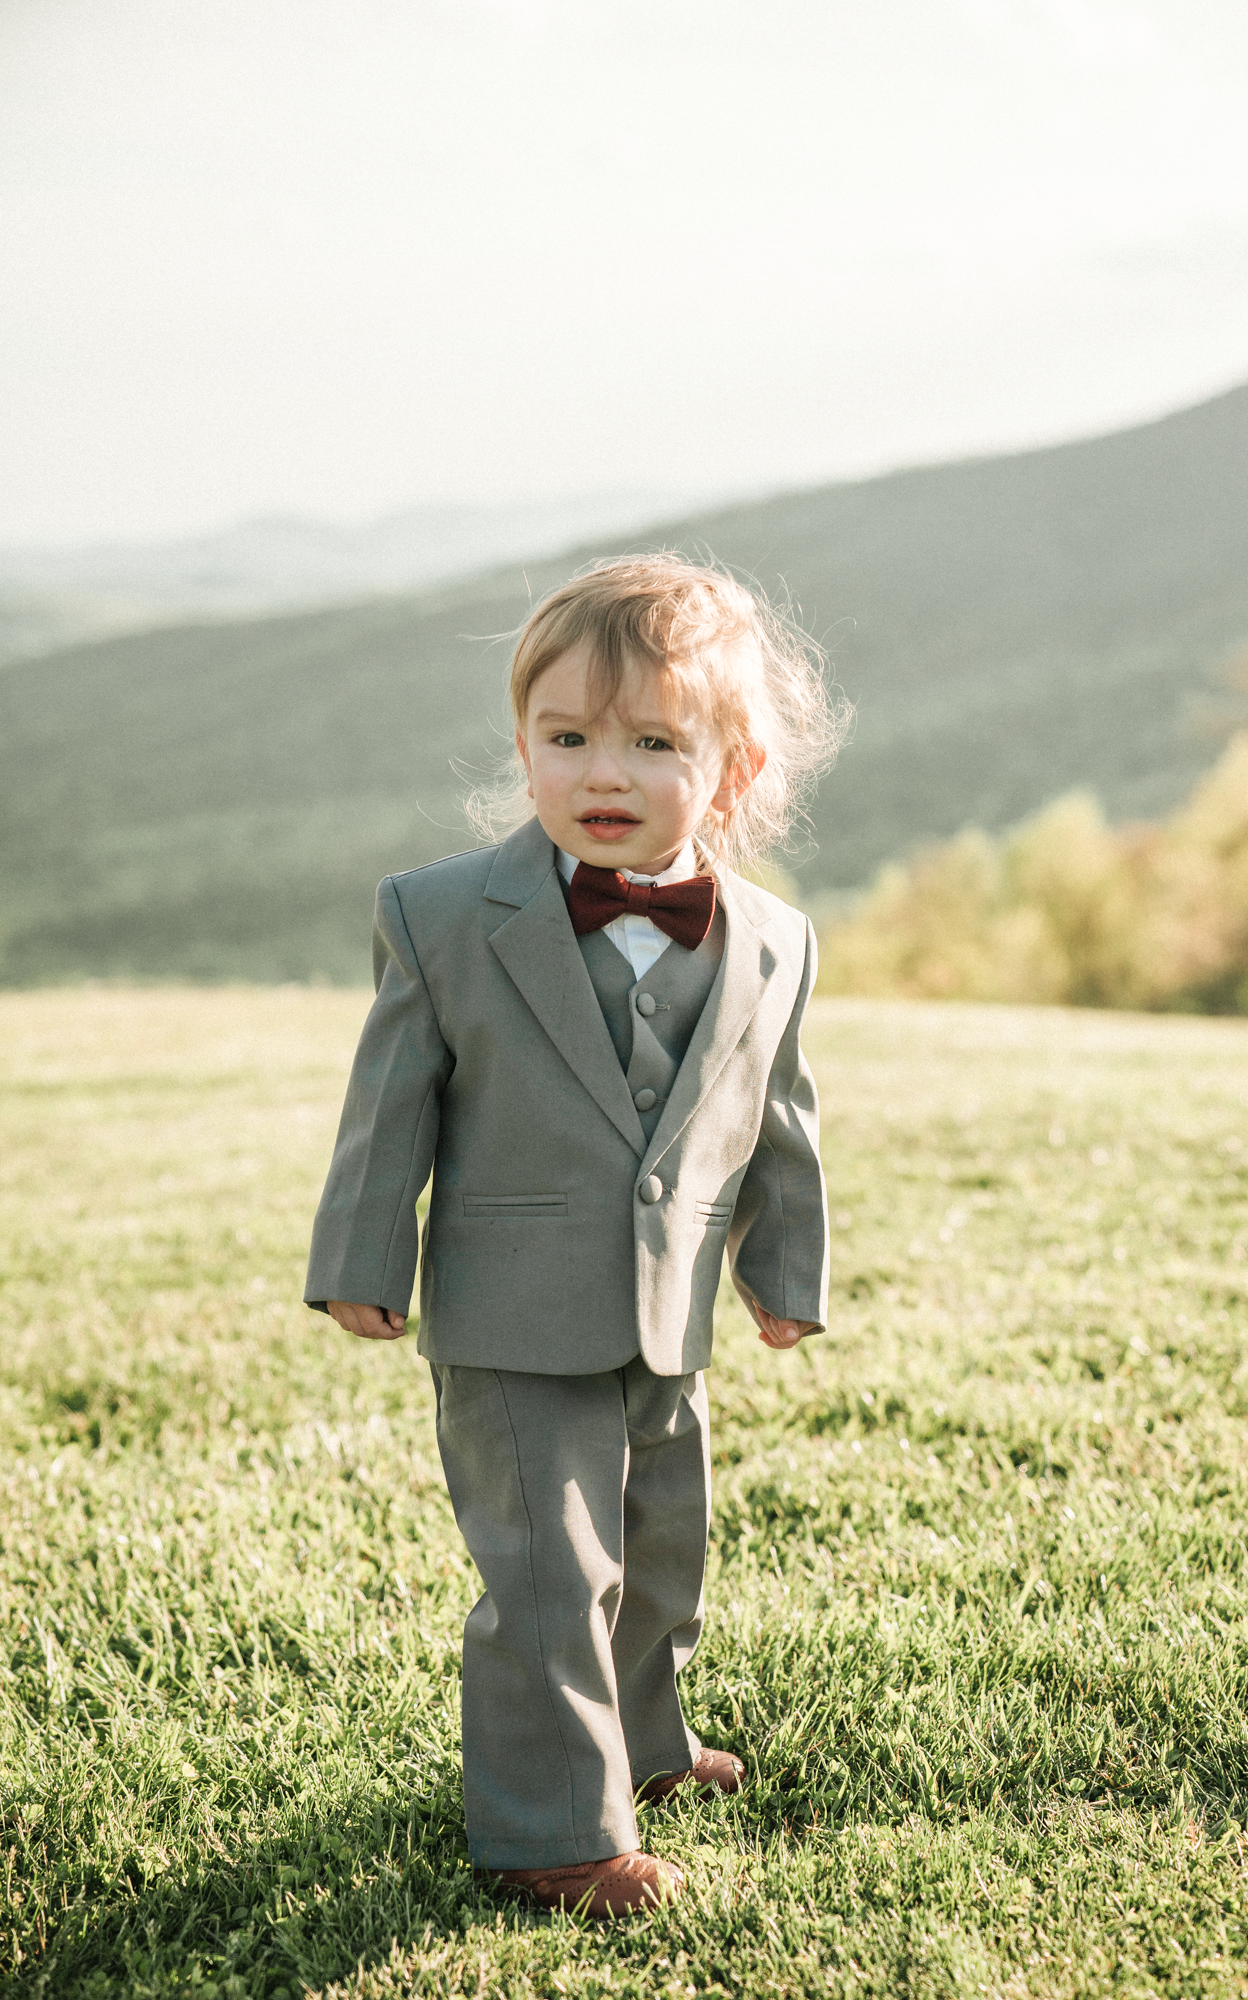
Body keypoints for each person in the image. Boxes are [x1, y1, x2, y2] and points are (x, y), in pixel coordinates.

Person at [305, 555, 844, 1917]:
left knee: (662, 1547)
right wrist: (363, 1265)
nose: (603, 771)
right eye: (567, 738)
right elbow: (391, 1106)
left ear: (734, 767)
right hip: (509, 1313)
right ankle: (553, 1830)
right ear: (525, 746)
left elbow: (778, 1119)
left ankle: (646, 1748)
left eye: (654, 742)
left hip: (670, 1318)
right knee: (554, 1570)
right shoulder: (439, 917)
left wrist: (783, 1273)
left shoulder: (772, 941)